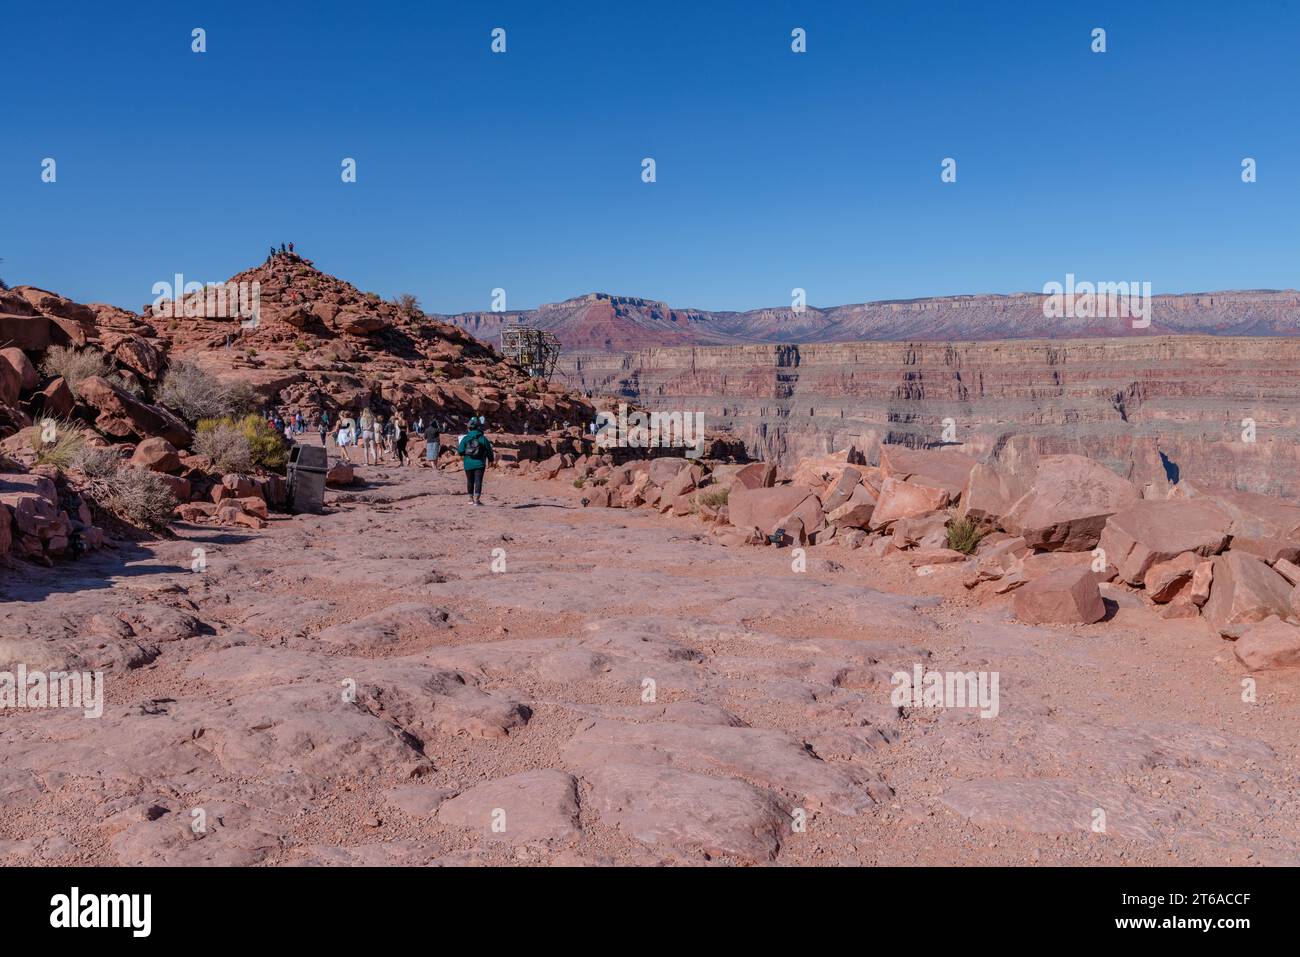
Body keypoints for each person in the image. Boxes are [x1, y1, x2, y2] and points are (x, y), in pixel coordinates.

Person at [457, 416, 494, 505]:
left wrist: (465, 455)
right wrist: (491, 460)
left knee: (470, 481)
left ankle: (470, 499)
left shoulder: (466, 438)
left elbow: (460, 450)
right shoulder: (483, 438)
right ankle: (477, 500)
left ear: (470, 428)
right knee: (478, 481)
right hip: (480, 464)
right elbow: (489, 450)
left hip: (468, 463)